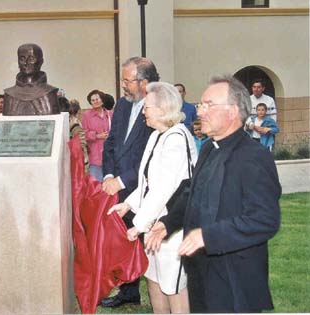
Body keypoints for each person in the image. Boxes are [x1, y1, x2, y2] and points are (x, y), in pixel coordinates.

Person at [179, 74, 281, 313]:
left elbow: (264, 220)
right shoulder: (208, 150)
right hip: (201, 272)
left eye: (208, 105)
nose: (200, 112)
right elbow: (193, 196)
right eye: (200, 105)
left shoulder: (254, 157)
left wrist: (207, 236)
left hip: (234, 279)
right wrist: (167, 222)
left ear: (233, 111)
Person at [108, 82, 197, 313]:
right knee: (155, 279)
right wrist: (128, 204)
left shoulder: (176, 138)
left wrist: (138, 225)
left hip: (172, 226)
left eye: (147, 107)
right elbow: (147, 181)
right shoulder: (158, 135)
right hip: (153, 224)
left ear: (162, 109)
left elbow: (164, 189)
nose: (144, 111)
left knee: (173, 285)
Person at [100, 57, 157, 308]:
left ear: (144, 82)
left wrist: (122, 180)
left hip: (146, 190)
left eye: (127, 80)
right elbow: (111, 143)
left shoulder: (158, 107)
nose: (123, 85)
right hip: (119, 188)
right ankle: (128, 292)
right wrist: (109, 176)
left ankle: (162, 291)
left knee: (147, 243)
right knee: (124, 241)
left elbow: (151, 156)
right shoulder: (123, 105)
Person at [3, 43, 60, 115]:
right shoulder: (9, 94)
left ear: (41, 62)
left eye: (31, 59)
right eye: (22, 59)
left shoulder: (49, 92)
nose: (26, 63)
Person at [82, 90, 112, 181]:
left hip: (110, 155)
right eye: (93, 100)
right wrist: (97, 136)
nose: (95, 101)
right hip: (95, 156)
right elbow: (84, 134)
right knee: (96, 186)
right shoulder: (86, 115)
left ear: (102, 100)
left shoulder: (110, 114)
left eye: (97, 99)